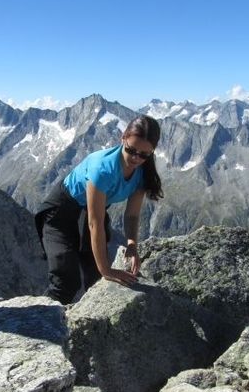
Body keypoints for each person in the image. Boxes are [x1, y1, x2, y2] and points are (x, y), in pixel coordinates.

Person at [35, 114, 164, 305]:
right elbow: (95, 224)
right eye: (131, 150)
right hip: (61, 212)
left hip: (93, 209)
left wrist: (132, 244)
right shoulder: (102, 168)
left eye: (144, 154)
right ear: (123, 138)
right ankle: (40, 324)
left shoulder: (142, 173)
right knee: (66, 281)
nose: (136, 158)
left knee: (94, 276)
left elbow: (132, 214)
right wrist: (107, 270)